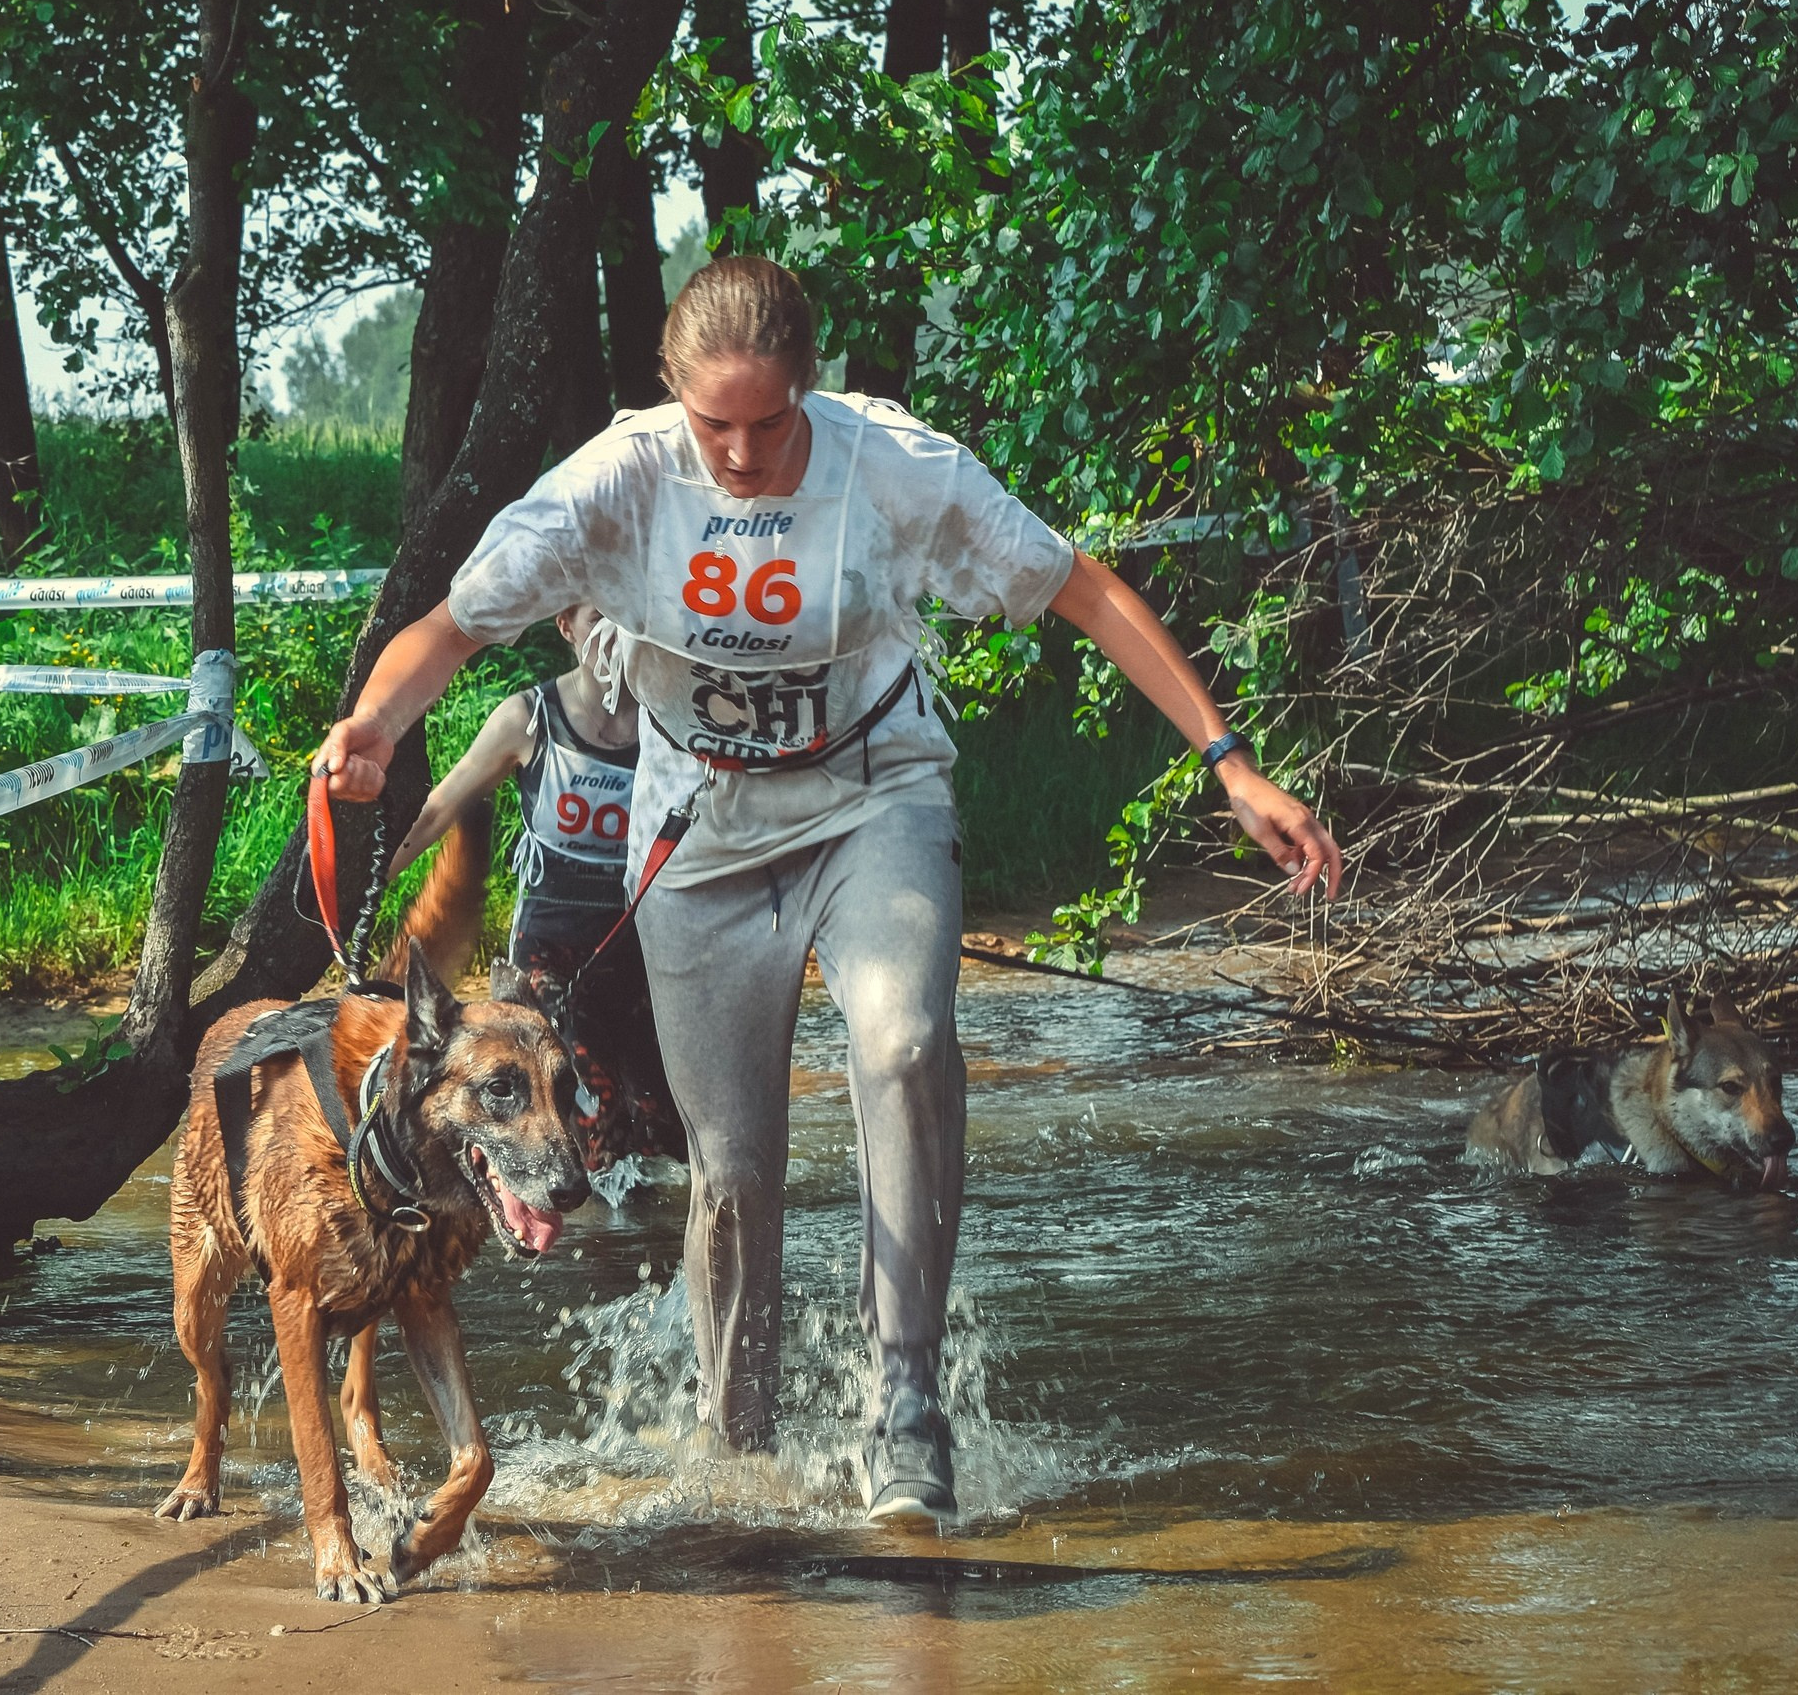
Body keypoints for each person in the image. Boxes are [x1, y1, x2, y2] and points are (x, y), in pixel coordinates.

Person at [314, 256, 1341, 1529]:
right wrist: (369, 722)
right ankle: (732, 1445)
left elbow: (1080, 587)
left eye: (771, 421)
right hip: (701, 832)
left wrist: (1227, 762)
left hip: (875, 798)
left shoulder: (897, 465)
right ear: (669, 400)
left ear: (811, 385)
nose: (743, 454)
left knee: (904, 1041)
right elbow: (452, 628)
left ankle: (906, 1415)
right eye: (715, 427)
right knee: (732, 1169)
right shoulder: (615, 481)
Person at [387, 604, 685, 1170]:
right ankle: (587, 1240)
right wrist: (366, 882)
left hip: (639, 943)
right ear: (567, 627)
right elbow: (439, 810)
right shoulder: (528, 718)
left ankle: (649, 1236)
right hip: (551, 951)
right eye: (597, 616)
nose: (613, 631)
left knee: (659, 1118)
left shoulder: (669, 720)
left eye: (625, 613)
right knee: (587, 1114)